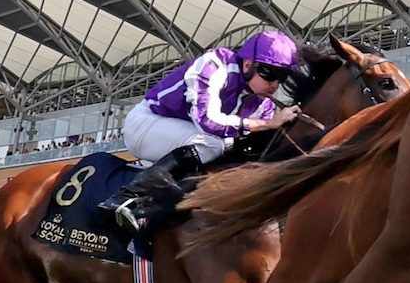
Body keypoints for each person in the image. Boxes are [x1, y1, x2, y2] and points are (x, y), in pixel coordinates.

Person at [99, 30, 304, 234]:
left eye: (282, 77)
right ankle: (127, 196)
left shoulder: (264, 104)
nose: (275, 84)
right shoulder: (215, 65)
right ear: (248, 64)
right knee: (213, 143)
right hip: (146, 123)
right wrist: (266, 124)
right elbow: (208, 122)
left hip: (184, 137)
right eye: (269, 73)